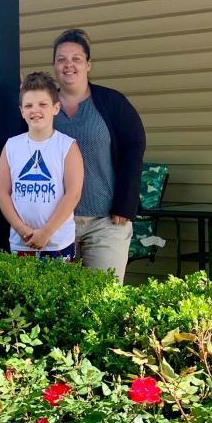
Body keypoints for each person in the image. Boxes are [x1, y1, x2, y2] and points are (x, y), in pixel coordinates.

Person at [52, 28, 146, 281]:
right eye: (61, 59)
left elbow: (133, 148)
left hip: (106, 222)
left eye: (76, 59)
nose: (68, 65)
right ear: (54, 66)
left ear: (88, 64)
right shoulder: (44, 106)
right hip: (56, 224)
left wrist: (125, 204)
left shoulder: (111, 102)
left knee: (103, 299)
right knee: (59, 302)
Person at [0, 72, 83, 261]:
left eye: (43, 104)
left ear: (56, 108)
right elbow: (3, 193)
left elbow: (73, 193)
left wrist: (46, 232)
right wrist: (21, 229)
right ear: (22, 111)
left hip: (57, 242)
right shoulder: (11, 146)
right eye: (29, 105)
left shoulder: (67, 146)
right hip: (21, 242)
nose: (35, 110)